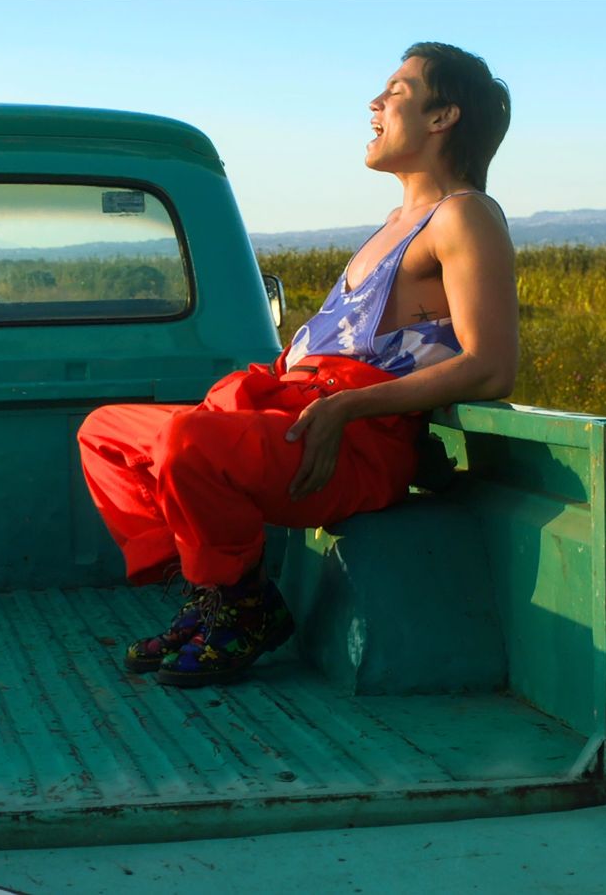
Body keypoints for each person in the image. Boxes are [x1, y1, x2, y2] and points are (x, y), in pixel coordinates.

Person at [78, 42, 517, 687]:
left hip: (353, 437)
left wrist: (347, 407)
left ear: (442, 117)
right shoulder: (395, 223)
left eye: (396, 92)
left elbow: (491, 365)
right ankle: (213, 595)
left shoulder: (464, 215)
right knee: (106, 432)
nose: (374, 104)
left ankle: (244, 608)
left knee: (188, 442)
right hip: (297, 410)